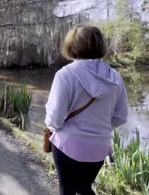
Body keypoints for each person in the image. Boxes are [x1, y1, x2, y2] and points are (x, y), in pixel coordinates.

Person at [45, 26, 128, 195]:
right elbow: (121, 116)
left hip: (69, 145)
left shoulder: (65, 74)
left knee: (67, 190)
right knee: (84, 188)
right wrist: (98, 126)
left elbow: (55, 119)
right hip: (99, 147)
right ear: (100, 46)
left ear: (72, 46)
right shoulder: (115, 77)